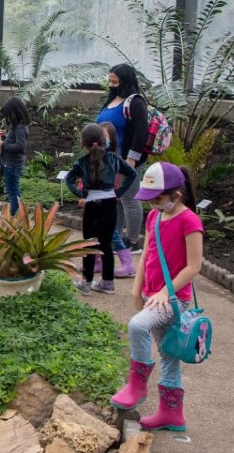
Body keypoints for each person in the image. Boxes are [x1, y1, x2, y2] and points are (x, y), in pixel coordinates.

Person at [110, 162, 203, 433]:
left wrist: (166, 291)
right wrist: (136, 289)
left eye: (158, 199)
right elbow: (148, 255)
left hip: (174, 300)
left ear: (176, 195)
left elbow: (194, 266)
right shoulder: (154, 218)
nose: (153, 205)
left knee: (137, 325)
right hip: (153, 296)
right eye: (149, 200)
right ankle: (172, 414)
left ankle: (137, 386)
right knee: (168, 354)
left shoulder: (190, 221)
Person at [65, 124, 138, 296]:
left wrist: (81, 192)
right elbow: (132, 174)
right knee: (106, 244)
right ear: (104, 140)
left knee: (89, 244)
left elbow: (69, 180)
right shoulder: (113, 159)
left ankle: (87, 282)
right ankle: (107, 283)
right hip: (109, 204)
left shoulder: (81, 162)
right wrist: (118, 192)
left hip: (91, 205)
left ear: (83, 143)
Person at [96, 64, 151, 253]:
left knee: (129, 198)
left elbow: (140, 132)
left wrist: (131, 159)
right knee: (116, 199)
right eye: (109, 81)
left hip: (127, 160)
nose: (111, 85)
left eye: (115, 82)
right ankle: (116, 236)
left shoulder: (135, 102)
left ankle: (133, 241)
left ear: (125, 81)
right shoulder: (112, 99)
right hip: (111, 160)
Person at [100, 121, 137, 278]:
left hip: (106, 200)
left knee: (111, 232)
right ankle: (96, 261)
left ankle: (127, 264)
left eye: (104, 136)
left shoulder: (113, 158)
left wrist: (118, 192)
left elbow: (130, 174)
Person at [0, 97, 29, 215]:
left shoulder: (20, 128)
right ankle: (18, 215)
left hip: (12, 166)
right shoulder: (18, 126)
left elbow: (20, 147)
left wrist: (3, 144)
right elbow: (15, 141)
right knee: (13, 191)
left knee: (12, 193)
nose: (7, 119)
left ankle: (15, 216)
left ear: (15, 113)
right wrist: (5, 137)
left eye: (8, 115)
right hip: (10, 164)